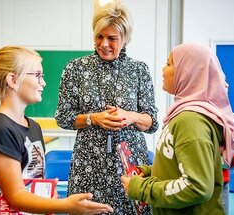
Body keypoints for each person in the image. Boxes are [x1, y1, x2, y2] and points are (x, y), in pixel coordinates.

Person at [0, 46, 113, 214]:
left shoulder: (33, 126)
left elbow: (30, 184)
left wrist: (48, 195)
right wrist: (67, 205)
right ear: (13, 80)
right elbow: (16, 196)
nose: (43, 83)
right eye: (37, 75)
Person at [55, 2, 158, 214]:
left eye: (112, 38)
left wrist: (130, 116)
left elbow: (152, 122)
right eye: (99, 36)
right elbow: (63, 117)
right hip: (88, 163)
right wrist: (94, 118)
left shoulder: (139, 70)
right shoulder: (75, 68)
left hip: (130, 165)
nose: (104, 44)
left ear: (125, 38)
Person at [121, 43, 234, 215]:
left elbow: (196, 186)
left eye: (169, 64)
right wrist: (150, 171)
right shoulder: (184, 115)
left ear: (187, 72)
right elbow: (181, 165)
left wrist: (141, 188)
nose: (163, 69)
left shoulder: (191, 120)